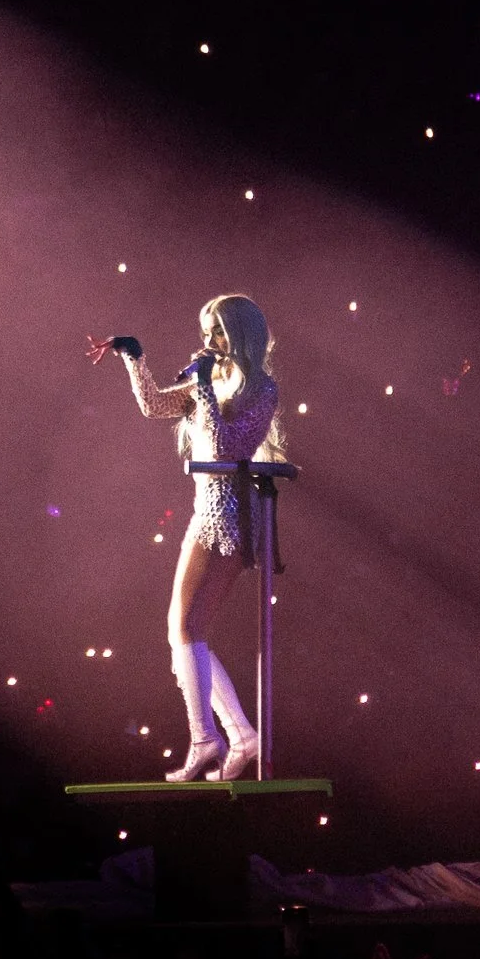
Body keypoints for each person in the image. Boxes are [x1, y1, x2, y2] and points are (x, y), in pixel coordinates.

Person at [86, 294, 284, 782]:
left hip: (231, 514)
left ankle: (209, 739)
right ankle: (235, 737)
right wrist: (134, 357)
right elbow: (155, 406)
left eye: (217, 331)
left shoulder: (261, 389)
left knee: (185, 627)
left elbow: (226, 446)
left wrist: (204, 390)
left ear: (240, 335)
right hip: (206, 511)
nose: (209, 342)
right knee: (185, 629)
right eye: (206, 331)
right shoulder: (210, 380)